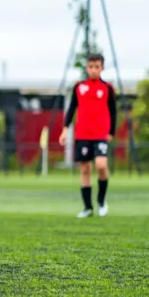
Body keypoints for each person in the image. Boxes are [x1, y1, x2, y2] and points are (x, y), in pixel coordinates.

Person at [58, 54, 117, 218]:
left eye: (97, 67)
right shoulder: (79, 87)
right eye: (91, 67)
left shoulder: (107, 88)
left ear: (102, 68)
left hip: (100, 134)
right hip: (83, 134)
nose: (93, 70)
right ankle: (87, 207)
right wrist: (65, 130)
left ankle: (101, 201)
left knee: (101, 165)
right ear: (87, 68)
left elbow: (113, 111)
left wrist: (111, 132)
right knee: (85, 170)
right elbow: (71, 110)